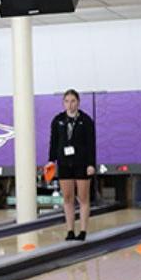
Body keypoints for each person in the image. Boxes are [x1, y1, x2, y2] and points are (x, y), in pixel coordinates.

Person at [48, 89, 96, 241]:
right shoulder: (58, 120)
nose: (70, 104)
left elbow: (91, 145)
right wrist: (51, 160)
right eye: (67, 101)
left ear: (78, 102)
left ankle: (82, 231)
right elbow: (54, 142)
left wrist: (91, 164)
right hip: (64, 163)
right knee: (68, 198)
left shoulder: (86, 120)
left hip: (82, 163)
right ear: (63, 103)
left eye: (73, 101)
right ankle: (70, 231)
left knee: (83, 198)